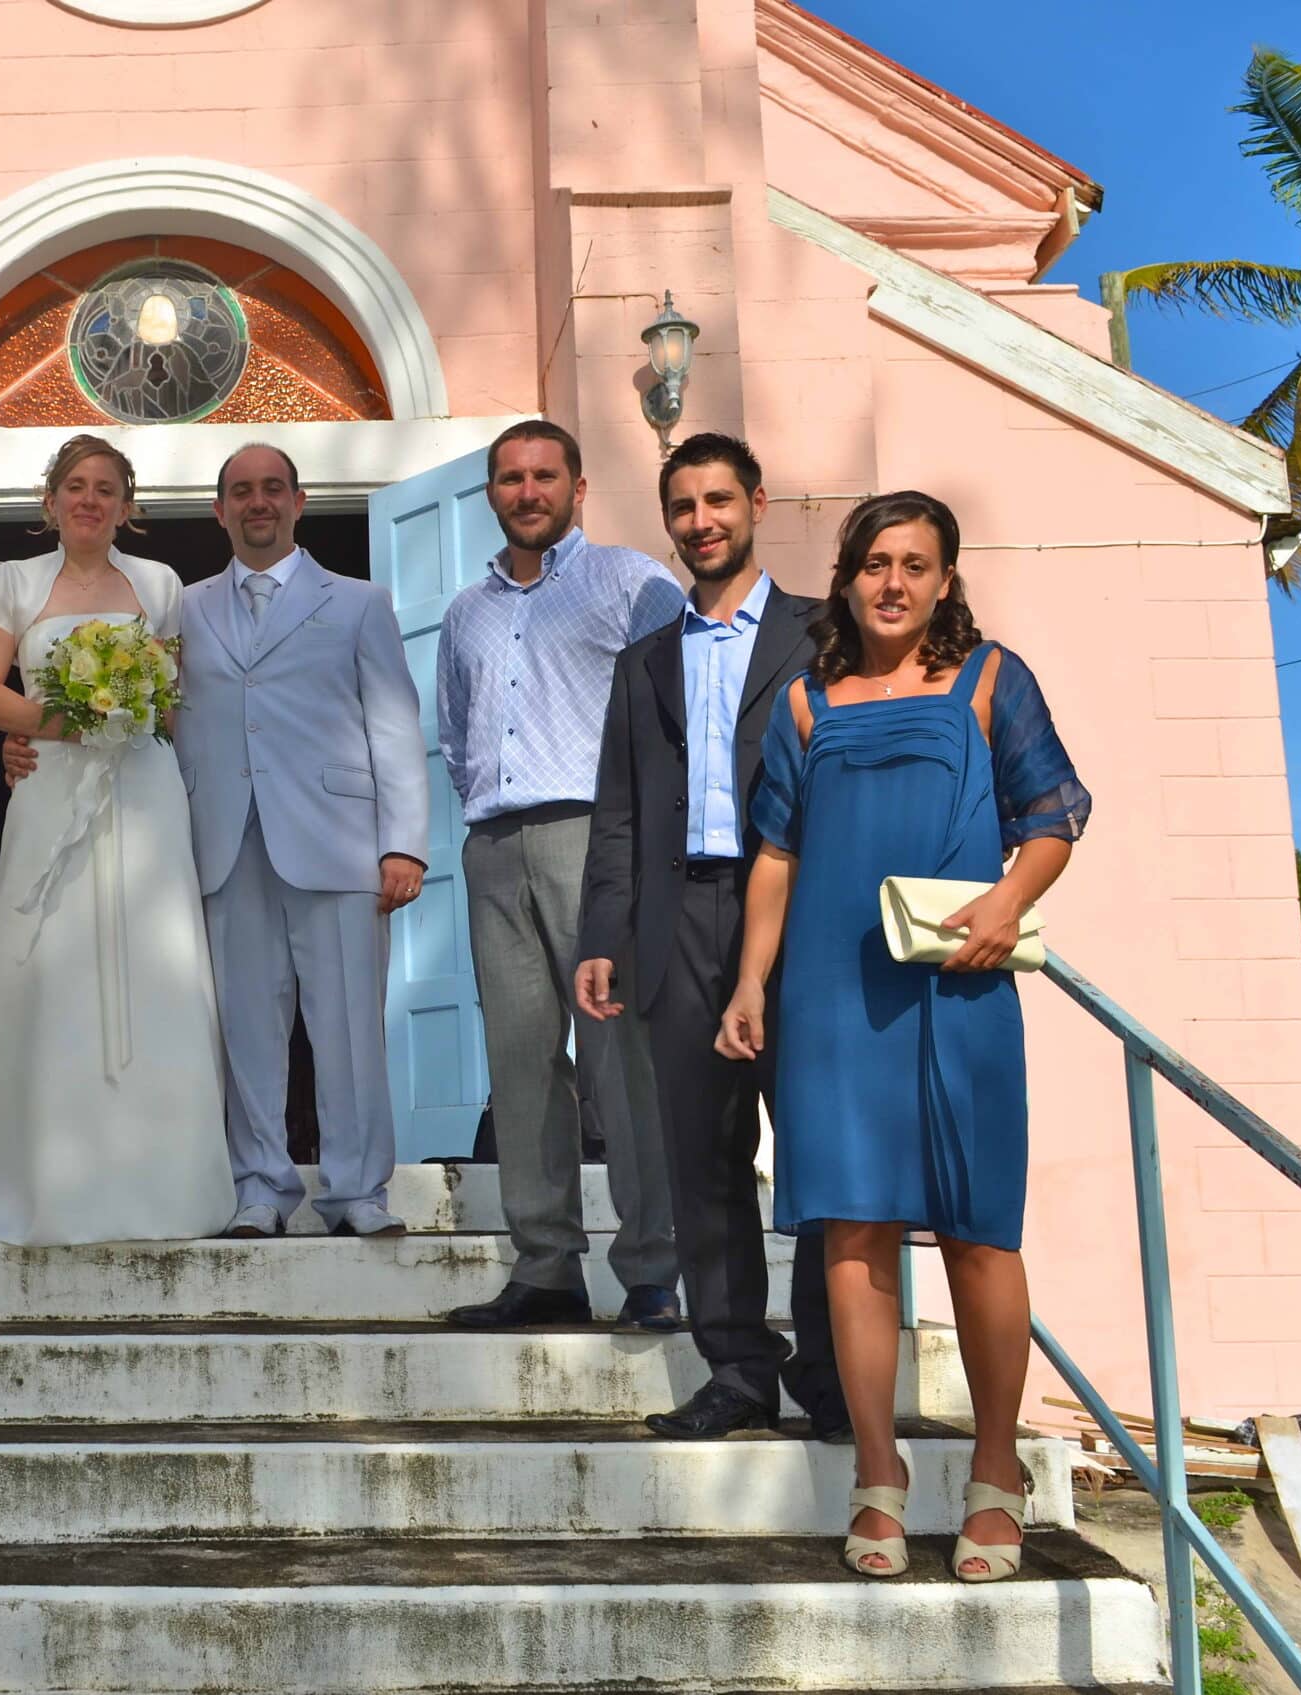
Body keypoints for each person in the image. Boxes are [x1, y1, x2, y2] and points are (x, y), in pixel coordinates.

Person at [719, 489, 1087, 1582]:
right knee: (850, 1233)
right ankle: (876, 1479)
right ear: (846, 577)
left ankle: (992, 1474)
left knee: (980, 1230)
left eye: (915, 565)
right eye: (875, 563)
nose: (893, 583)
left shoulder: (988, 682)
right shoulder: (802, 703)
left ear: (943, 579)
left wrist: (1007, 902)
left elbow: (1054, 814)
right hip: (832, 995)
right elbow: (775, 856)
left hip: (959, 984)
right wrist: (750, 982)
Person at [17, 442, 428, 1236]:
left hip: (339, 842)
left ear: (300, 501)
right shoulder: (180, 607)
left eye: (273, 488)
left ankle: (356, 1191)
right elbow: (139, 715)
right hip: (221, 842)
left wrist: (403, 842)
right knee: (244, 1028)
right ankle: (260, 1187)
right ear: (219, 510)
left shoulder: (358, 601)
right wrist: (32, 737)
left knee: (348, 1027)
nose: (258, 503)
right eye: (241, 491)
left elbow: (396, 725)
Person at [574, 433, 847, 1439]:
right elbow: (616, 813)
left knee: (818, 1154)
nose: (702, 521)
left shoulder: (826, 634)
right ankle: (736, 1369)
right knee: (705, 1160)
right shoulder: (643, 663)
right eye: (684, 506)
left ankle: (828, 1373)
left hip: (803, 917)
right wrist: (602, 932)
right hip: (676, 920)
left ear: (756, 504)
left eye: (718, 500)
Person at [0, 436, 235, 1245]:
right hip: (49, 790)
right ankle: (35, 1171)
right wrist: (68, 722)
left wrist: (127, 719)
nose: (90, 499)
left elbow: (175, 704)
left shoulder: (161, 585)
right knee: (49, 961)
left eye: (107, 488)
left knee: (155, 964)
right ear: (50, 500)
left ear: (127, 506)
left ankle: (161, 1177)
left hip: (143, 793)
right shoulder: (13, 580)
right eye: (75, 485)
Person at [435, 420, 682, 1331]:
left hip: (596, 840)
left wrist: (641, 843)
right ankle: (545, 1267)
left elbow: (674, 716)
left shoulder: (630, 582)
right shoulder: (465, 611)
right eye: (510, 478)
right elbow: (456, 734)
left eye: (545, 476)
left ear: (578, 487)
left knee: (622, 1060)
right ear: (491, 493)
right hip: (494, 848)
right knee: (521, 1063)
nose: (526, 491)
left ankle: (652, 1267)